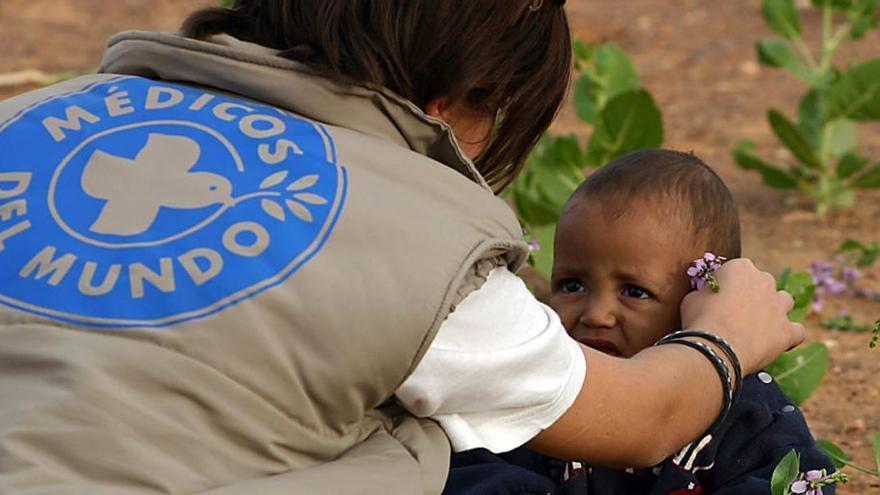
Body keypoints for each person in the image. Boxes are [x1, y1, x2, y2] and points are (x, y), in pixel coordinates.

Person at [0, 2, 803, 494]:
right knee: (421, 435)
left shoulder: (30, 117)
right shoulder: (425, 241)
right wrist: (726, 338)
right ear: (454, 105)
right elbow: (642, 419)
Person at [445, 149, 834, 494]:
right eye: (572, 284)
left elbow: (792, 480)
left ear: (702, 303)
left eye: (634, 292)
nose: (596, 314)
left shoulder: (745, 406)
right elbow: (475, 470)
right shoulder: (538, 385)